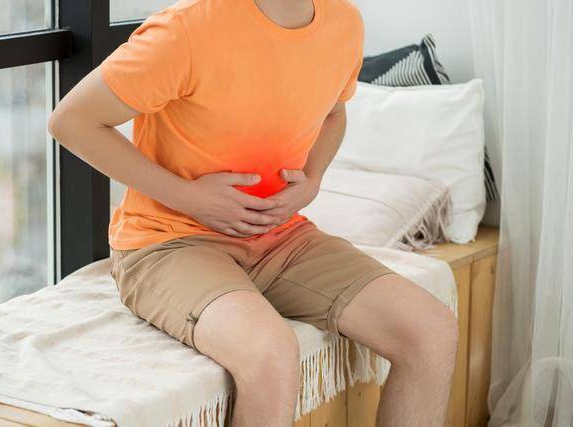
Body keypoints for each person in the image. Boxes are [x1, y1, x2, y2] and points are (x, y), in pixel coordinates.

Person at [48, 0, 458, 425]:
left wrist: (313, 179)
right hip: (168, 242)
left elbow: (334, 114)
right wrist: (189, 197)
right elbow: (71, 120)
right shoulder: (186, 29)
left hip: (281, 237)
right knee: (271, 354)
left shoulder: (343, 22)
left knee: (430, 329)